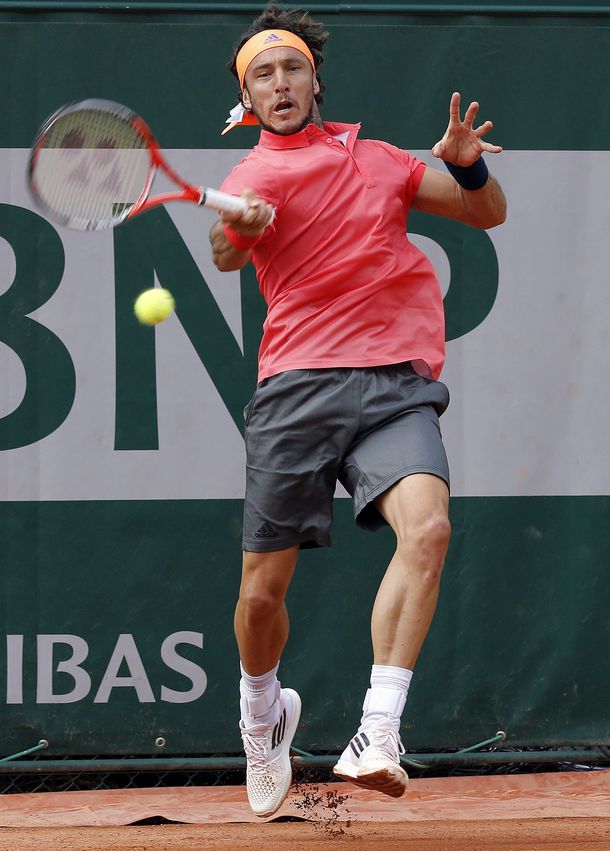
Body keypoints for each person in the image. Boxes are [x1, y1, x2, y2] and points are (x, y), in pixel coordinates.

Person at [209, 0, 506, 819]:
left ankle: (378, 728)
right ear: (248, 96)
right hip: (296, 390)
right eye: (263, 74)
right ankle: (261, 710)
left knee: (432, 529)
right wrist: (244, 228)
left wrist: (469, 164)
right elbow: (226, 248)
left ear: (314, 77)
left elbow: (486, 211)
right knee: (262, 598)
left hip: (392, 383)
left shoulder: (379, 159)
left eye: (292, 67)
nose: (280, 82)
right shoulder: (249, 177)